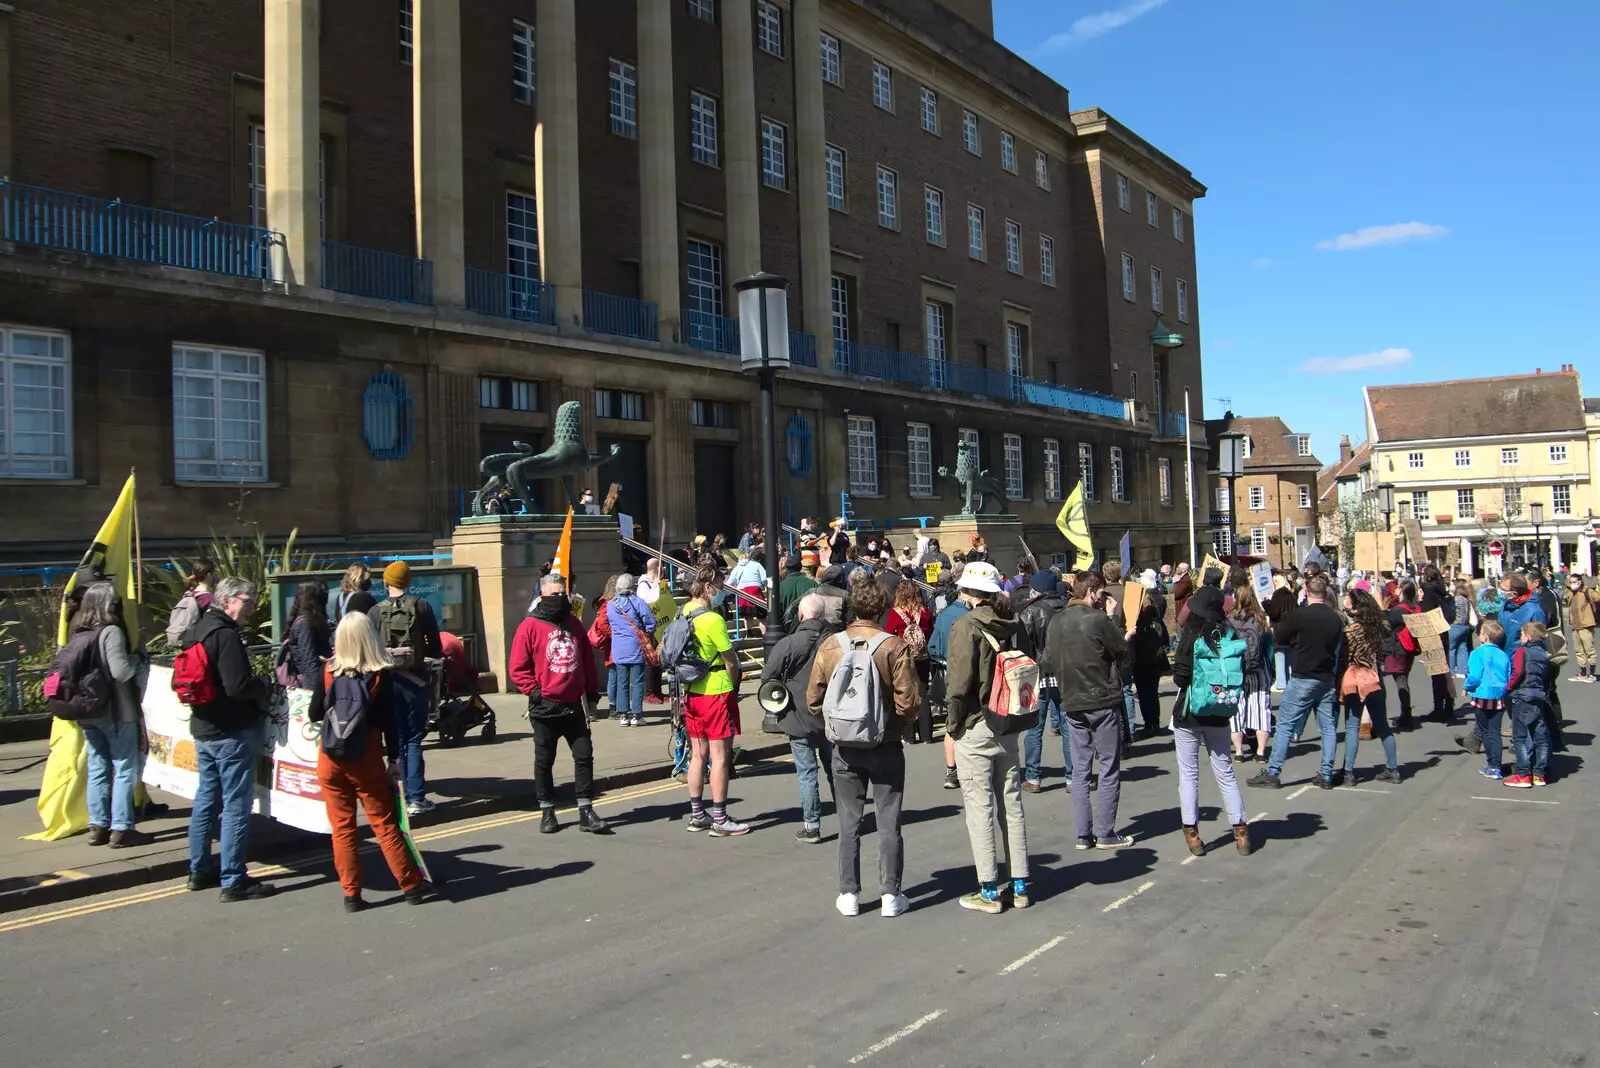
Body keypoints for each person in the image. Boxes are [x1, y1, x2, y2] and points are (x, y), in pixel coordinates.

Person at [806, 578, 919, 917]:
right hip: (884, 745)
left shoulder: (830, 646)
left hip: (844, 746)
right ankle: (890, 895)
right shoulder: (893, 646)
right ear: (883, 608)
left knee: (848, 822)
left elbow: (814, 700)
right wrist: (893, 726)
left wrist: (836, 723)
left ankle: (848, 894)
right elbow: (909, 701)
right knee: (888, 821)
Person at [313, 613, 437, 910]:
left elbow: (314, 714)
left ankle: (351, 894)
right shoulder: (380, 675)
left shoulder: (328, 670)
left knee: (342, 829)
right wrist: (394, 761)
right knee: (384, 823)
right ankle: (410, 885)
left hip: (329, 757)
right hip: (364, 758)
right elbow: (389, 725)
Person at [943, 564, 1035, 912]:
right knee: (1011, 803)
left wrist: (953, 726)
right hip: (1008, 721)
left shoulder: (965, 626)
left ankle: (989, 891)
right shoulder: (1013, 623)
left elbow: (959, 683)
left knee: (979, 807)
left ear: (967, 592)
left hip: (976, 721)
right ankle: (1021, 884)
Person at [184, 576, 275, 900]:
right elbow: (237, 686)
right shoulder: (226, 635)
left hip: (203, 727)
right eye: (247, 602)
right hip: (231, 731)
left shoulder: (197, 629)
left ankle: (198, 870)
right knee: (236, 805)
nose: (250, 609)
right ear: (228, 600)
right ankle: (234, 879)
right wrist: (262, 685)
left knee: (206, 800)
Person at [508, 574, 609, 834]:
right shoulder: (529, 626)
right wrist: (535, 693)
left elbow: (587, 662)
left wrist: (593, 696)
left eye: (562, 594)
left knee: (584, 756)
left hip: (574, 706)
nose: (559, 599)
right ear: (542, 596)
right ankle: (547, 811)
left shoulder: (574, 624)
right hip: (545, 708)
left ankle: (586, 810)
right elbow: (518, 669)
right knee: (544, 761)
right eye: (554, 595)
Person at [1042, 573, 1134, 849]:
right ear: (1092, 591)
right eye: (1102, 593)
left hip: (1072, 699)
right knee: (1108, 766)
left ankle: (1083, 834)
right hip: (1101, 698)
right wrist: (1120, 626)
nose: (1104, 598)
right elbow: (1121, 651)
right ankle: (1105, 832)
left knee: (1081, 770)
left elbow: (1046, 660)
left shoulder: (1056, 621)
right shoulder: (1098, 619)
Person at [1169, 584, 1252, 857]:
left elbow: (1180, 676)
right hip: (1220, 710)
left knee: (1189, 775)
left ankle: (1192, 834)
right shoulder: (1229, 633)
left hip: (1190, 711)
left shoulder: (1191, 634)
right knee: (1225, 772)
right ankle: (1240, 831)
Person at [69, 582, 153, 848]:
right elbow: (121, 672)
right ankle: (121, 828)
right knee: (125, 766)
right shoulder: (111, 631)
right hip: (117, 710)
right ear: (108, 604)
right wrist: (138, 661)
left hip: (86, 710)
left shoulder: (77, 631)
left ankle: (98, 826)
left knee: (97, 766)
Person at [1248, 574, 1344, 790]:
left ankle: (1273, 772)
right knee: (1328, 727)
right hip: (1326, 676)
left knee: (1284, 725)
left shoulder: (1301, 616)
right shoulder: (1335, 617)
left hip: (1303, 675)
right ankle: (1326, 774)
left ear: (1307, 592)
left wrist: (1296, 640)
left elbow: (1280, 636)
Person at [761, 593, 842, 843]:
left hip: (798, 716)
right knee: (836, 769)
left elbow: (767, 677)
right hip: (830, 716)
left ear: (801, 615)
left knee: (807, 773)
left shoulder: (788, 643)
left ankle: (811, 825)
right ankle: (849, 818)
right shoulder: (837, 642)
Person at [367, 561, 443, 816]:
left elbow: (369, 650)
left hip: (387, 683)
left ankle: (392, 798)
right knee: (413, 739)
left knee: (393, 740)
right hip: (416, 683)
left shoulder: (375, 612)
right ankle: (415, 799)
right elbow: (435, 646)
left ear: (385, 583)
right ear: (408, 582)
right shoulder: (421, 606)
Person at [679, 567, 750, 836]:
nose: (722, 590)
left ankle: (698, 815)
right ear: (708, 587)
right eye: (720, 584)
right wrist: (733, 684)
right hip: (716, 691)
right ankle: (720, 819)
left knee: (698, 754)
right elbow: (730, 660)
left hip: (691, 692)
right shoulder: (712, 620)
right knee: (720, 758)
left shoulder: (683, 612)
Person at [1336, 588, 1401, 785]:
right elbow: (1388, 623)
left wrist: (1338, 682)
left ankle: (1348, 772)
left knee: (1352, 725)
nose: (1345, 604)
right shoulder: (1379, 627)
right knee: (1382, 725)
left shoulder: (1351, 631)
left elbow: (1344, 659)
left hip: (1356, 679)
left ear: (1356, 610)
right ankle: (1393, 768)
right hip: (1375, 679)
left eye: (1348, 602)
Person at [1017, 569, 1071, 792]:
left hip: (1037, 674)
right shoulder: (1069, 609)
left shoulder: (1029, 612)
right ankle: (1074, 777)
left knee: (1034, 728)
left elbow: (1022, 648)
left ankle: (1033, 777)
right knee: (1070, 728)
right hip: (1065, 673)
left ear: (1036, 589)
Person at [929, 573, 972, 790]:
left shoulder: (944, 615)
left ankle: (951, 770)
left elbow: (932, 647)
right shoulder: (971, 616)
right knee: (971, 721)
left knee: (951, 723)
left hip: (948, 674)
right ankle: (968, 768)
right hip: (969, 675)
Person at [1503, 620, 1554, 788]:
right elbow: (1546, 676)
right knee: (1540, 737)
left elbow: (1518, 671)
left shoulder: (1522, 651)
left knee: (1520, 737)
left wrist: (1508, 687)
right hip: (1538, 696)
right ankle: (1540, 774)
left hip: (1522, 695)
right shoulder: (1544, 654)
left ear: (1528, 637)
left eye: (1522, 635)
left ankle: (1523, 774)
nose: (1521, 637)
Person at [1227, 585, 1274, 763]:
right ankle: (1261, 752)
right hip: (1259, 670)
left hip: (1237, 670)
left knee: (1237, 711)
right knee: (1261, 709)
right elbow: (1269, 648)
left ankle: (1239, 752)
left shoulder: (1230, 620)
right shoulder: (1260, 619)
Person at [884, 579, 934, 743]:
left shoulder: (895, 614)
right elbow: (930, 633)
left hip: (903, 657)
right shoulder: (925, 612)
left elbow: (889, 635)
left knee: (905, 693)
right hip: (922, 657)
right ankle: (926, 734)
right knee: (923, 694)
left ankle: (909, 735)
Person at [606, 573, 657, 728]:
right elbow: (651, 622)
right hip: (635, 646)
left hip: (618, 647)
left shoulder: (611, 604)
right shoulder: (637, 602)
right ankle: (636, 714)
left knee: (622, 681)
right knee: (637, 681)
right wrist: (646, 632)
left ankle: (623, 714)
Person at [1464, 619, 1511, 779]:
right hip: (1499, 697)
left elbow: (1475, 676)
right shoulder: (1503, 654)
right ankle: (1496, 766)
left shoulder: (1477, 653)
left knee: (1485, 731)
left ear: (1484, 636)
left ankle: (1491, 764)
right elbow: (1509, 675)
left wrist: (1467, 687)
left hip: (1483, 696)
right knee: (1495, 732)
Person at [1128, 573, 1170, 735]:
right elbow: (1165, 639)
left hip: (1141, 661)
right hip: (1155, 660)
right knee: (1153, 692)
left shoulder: (1139, 622)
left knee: (1144, 694)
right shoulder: (1157, 620)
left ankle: (1148, 723)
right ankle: (1155, 721)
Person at [1381, 582, 1421, 729]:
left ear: (1403, 592)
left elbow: (1386, 626)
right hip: (1410, 648)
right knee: (1403, 678)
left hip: (1398, 648)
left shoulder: (1398, 611)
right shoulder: (1416, 608)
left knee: (1401, 681)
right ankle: (1406, 713)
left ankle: (1406, 714)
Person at [1417, 565, 1456, 722]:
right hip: (1442, 632)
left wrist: (1420, 601)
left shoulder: (1428, 592)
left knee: (1437, 672)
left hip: (1432, 633)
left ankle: (1440, 708)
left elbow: (1426, 613)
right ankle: (1448, 705)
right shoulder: (1441, 590)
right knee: (1444, 670)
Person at [282, 580, 332, 689]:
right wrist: (316, 693)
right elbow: (309, 663)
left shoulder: (314, 621)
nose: (326, 595)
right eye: (322, 592)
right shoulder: (305, 624)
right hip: (312, 686)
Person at [163, 561, 216, 648]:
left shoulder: (189, 594)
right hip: (202, 645)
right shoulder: (209, 598)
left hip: (189, 643)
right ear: (209, 575)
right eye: (214, 574)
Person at [1565, 574, 1599, 682]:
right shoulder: (1571, 593)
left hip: (1586, 625)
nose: (1572, 584)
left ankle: (1592, 674)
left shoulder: (1587, 591)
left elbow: (1597, 598)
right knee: (1579, 651)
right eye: (1571, 582)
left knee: (1589, 650)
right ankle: (1583, 673)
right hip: (1575, 626)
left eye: (1574, 582)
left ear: (1580, 582)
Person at [1448, 578, 1476, 678]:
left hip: (1454, 626)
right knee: (1462, 648)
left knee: (1452, 648)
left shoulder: (1453, 600)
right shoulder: (1467, 601)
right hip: (1464, 626)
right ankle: (1463, 671)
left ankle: (1452, 670)